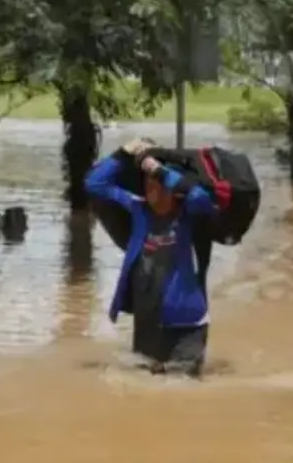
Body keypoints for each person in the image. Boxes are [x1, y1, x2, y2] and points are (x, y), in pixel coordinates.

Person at [85, 138, 218, 377]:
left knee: (181, 390)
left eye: (157, 183)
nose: (151, 188)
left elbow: (200, 198)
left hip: (186, 325)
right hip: (147, 322)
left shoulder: (189, 215)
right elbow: (94, 184)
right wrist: (123, 154)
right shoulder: (138, 209)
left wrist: (158, 170)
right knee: (145, 391)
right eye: (147, 182)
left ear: (172, 187)